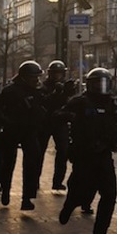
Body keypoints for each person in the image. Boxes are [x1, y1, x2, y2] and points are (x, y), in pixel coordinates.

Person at [57, 68, 117, 234]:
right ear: (89, 84)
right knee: (81, 191)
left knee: (109, 195)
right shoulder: (80, 102)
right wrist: (67, 116)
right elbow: (58, 115)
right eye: (97, 83)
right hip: (83, 155)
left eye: (103, 83)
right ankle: (69, 205)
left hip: (104, 155)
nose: (100, 87)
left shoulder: (114, 103)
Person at [0, 61, 47, 210]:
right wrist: (5, 121)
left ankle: (27, 198)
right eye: (33, 77)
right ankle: (5, 190)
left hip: (30, 131)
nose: (37, 80)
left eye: (38, 77)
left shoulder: (37, 91)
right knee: (9, 162)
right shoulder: (11, 91)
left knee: (32, 164)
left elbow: (47, 107)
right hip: (13, 130)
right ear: (24, 77)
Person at [39, 60, 77, 190]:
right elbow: (44, 102)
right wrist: (56, 92)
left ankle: (57, 181)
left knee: (63, 151)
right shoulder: (44, 86)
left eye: (60, 73)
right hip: (46, 122)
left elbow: (70, 103)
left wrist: (68, 92)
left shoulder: (66, 88)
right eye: (55, 73)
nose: (57, 76)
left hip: (60, 122)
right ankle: (35, 179)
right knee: (39, 152)